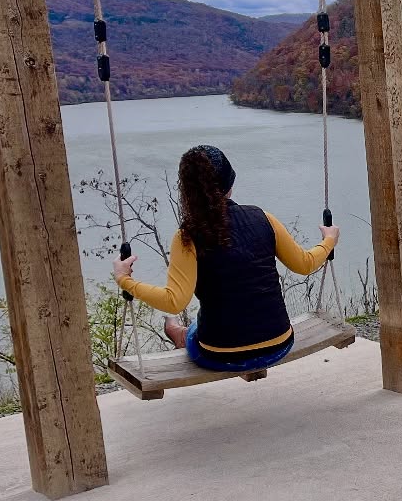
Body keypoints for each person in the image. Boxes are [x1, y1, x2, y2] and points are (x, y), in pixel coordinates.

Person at [112, 145, 340, 372]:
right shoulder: (263, 218)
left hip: (220, 353)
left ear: (188, 193)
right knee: (205, 321)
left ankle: (181, 335)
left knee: (193, 329)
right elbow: (304, 264)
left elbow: (175, 301)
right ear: (230, 184)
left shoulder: (188, 236)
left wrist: (124, 280)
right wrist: (328, 239)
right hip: (278, 342)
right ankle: (180, 332)